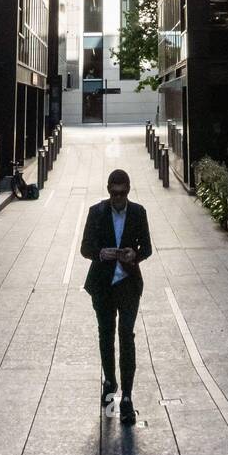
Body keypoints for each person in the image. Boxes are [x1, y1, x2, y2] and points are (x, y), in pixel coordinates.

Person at [80, 169, 153, 425]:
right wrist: (102, 253)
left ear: (128, 191)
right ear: (109, 190)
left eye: (122, 194)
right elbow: (85, 247)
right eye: (114, 193)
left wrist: (135, 255)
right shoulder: (96, 212)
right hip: (102, 284)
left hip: (129, 284)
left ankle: (127, 397)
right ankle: (110, 380)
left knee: (126, 335)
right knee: (106, 333)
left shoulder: (138, 213)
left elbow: (147, 247)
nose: (118, 198)